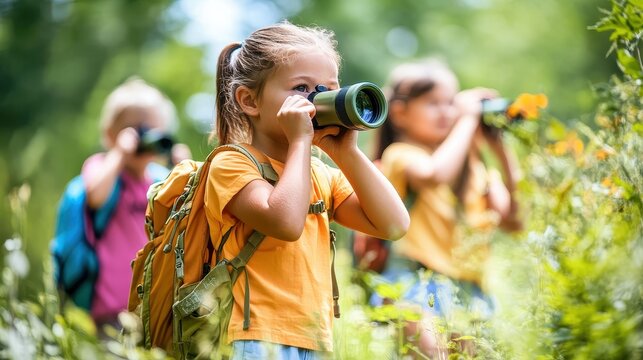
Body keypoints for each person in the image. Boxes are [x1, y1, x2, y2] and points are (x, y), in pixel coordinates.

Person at [205, 21, 410, 359]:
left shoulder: (321, 173)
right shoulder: (231, 164)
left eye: (328, 88)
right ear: (249, 100)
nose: (316, 100)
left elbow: (394, 225)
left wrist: (347, 153)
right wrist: (302, 141)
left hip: (314, 339)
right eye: (301, 88)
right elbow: (286, 223)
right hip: (252, 336)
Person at [372, 59, 521, 357]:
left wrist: (499, 148)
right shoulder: (400, 155)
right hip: (415, 282)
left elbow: (513, 222)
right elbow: (433, 174)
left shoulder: (474, 168)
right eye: (433, 103)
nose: (446, 112)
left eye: (451, 103)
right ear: (400, 113)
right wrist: (466, 119)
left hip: (469, 291)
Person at [82, 78, 190, 334]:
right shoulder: (102, 166)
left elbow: (187, 213)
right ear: (111, 134)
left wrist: (183, 169)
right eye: (134, 130)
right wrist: (119, 152)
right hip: (108, 310)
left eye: (152, 130)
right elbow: (95, 196)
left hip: (151, 308)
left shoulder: (159, 178)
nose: (143, 139)